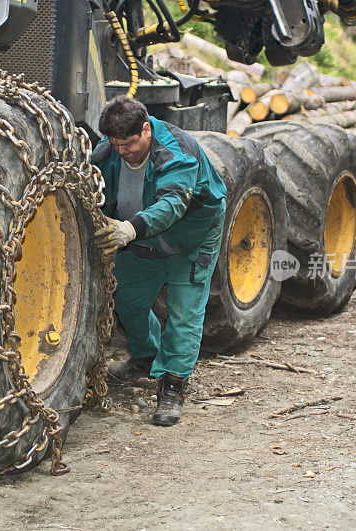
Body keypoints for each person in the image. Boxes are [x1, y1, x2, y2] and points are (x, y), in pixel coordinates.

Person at [92, 95, 227, 426]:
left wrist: (127, 230)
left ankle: (172, 384)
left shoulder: (176, 152)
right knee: (126, 297)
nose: (124, 151)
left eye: (130, 144)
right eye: (117, 144)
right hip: (142, 237)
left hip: (191, 239)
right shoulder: (106, 152)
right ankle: (145, 356)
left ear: (147, 129)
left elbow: (172, 205)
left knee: (184, 312)